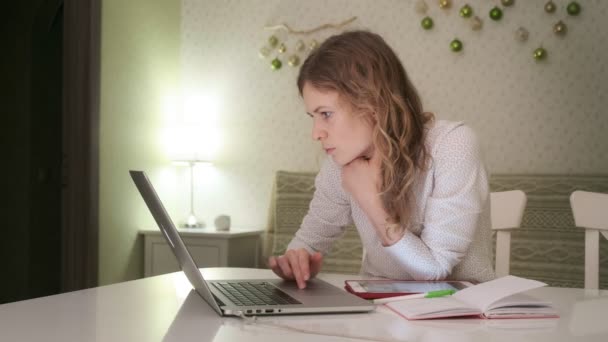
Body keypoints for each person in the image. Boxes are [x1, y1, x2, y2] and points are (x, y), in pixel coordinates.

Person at [268, 30, 495, 289]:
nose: (316, 133)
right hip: (380, 313)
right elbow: (307, 243)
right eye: (313, 116)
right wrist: (297, 261)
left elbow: (435, 270)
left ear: (373, 104)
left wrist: (371, 203)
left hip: (463, 315)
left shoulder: (454, 145)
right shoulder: (340, 163)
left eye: (326, 114)